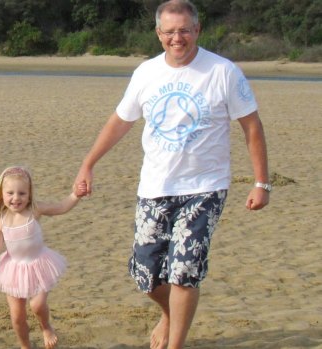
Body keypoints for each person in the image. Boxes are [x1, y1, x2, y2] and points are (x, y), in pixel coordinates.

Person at [74, 1, 270, 348]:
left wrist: (261, 182)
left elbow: (251, 126)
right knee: (146, 274)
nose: (176, 38)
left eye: (183, 30)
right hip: (155, 186)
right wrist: (88, 163)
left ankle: (176, 341)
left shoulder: (223, 71)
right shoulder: (146, 73)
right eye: (169, 31)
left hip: (205, 187)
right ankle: (170, 314)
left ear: (197, 30)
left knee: (184, 271)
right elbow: (121, 121)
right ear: (158, 34)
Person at [0, 166, 86, 349]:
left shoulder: (34, 210)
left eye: (22, 193)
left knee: (38, 305)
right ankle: (25, 346)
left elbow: (61, 207)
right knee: (17, 316)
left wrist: (76, 195)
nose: (16, 198)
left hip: (39, 264)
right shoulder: (0, 219)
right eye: (10, 193)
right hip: (13, 269)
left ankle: (46, 327)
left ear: (29, 194)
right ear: (1, 193)